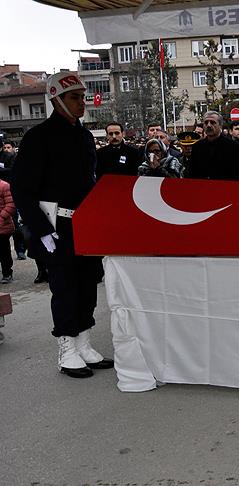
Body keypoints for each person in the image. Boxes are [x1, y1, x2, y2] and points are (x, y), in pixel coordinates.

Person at [10, 72, 113, 378]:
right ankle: (66, 347)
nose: (82, 103)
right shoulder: (38, 137)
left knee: (88, 283)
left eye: (82, 97)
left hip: (84, 222)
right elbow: (22, 188)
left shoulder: (83, 136)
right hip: (55, 224)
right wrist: (41, 230)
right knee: (64, 287)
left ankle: (83, 342)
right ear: (56, 100)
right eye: (74, 97)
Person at [186, 111, 239, 181]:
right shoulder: (197, 147)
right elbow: (192, 172)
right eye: (206, 122)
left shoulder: (233, 147)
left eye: (213, 122)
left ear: (220, 126)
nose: (209, 125)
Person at [0, 178, 15, 283]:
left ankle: (7, 273)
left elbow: (11, 205)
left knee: (3, 251)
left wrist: (1, 218)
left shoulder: (4, 186)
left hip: (3, 226)